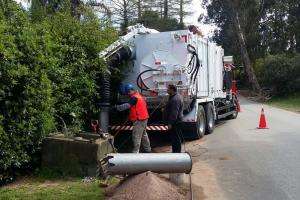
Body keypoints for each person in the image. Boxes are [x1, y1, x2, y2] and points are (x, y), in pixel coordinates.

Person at [115, 84, 151, 153]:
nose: (127, 94)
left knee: (136, 136)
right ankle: (148, 150)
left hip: (139, 119)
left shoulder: (134, 98)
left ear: (131, 90)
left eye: (128, 92)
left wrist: (116, 107)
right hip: (144, 118)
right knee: (143, 135)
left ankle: (135, 152)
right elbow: (136, 108)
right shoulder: (139, 96)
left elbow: (127, 105)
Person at [164, 84, 184, 153]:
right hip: (176, 121)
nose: (167, 90)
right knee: (174, 138)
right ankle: (175, 152)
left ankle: (177, 153)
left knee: (176, 138)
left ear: (172, 90)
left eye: (168, 89)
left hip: (176, 122)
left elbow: (174, 113)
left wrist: (170, 123)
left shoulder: (175, 99)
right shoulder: (173, 97)